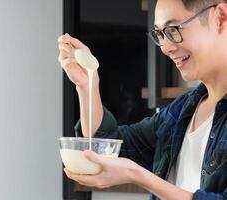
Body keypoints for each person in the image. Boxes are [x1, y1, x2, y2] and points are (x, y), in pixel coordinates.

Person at [57, 0, 227, 199]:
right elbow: (107, 149)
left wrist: (136, 174)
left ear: (220, 17)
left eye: (173, 29)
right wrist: (87, 85)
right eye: (160, 34)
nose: (165, 47)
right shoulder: (181, 111)